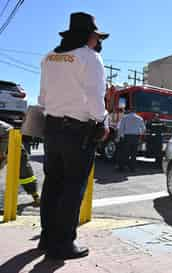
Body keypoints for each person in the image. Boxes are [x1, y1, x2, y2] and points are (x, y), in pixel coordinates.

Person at [38, 12, 109, 260]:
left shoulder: (49, 57)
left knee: (53, 183)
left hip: (52, 127)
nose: (97, 42)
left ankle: (47, 238)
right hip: (77, 130)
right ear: (89, 36)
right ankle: (63, 244)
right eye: (96, 37)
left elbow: (42, 97)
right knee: (72, 186)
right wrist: (101, 121)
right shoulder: (90, 58)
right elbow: (94, 96)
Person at [0, 120, 40, 206]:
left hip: (15, 148)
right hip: (4, 148)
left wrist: (2, 152)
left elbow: (9, 132)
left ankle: (36, 197)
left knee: (25, 174)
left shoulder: (3, 127)